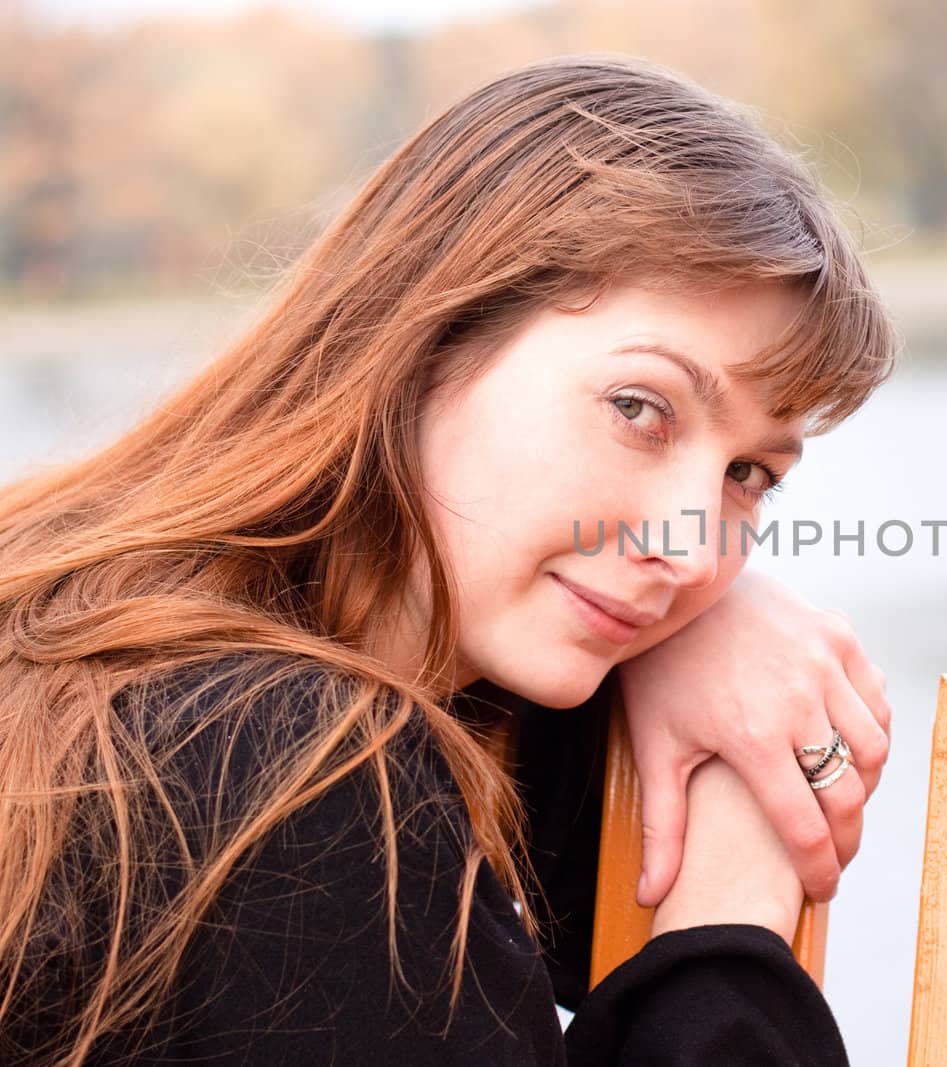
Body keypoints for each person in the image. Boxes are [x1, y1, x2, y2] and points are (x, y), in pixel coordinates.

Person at [0, 52, 900, 1064]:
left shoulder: (87, 630)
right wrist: (729, 906)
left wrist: (720, 629)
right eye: (639, 409)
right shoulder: (296, 776)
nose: (688, 548)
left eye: (748, 475)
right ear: (424, 342)